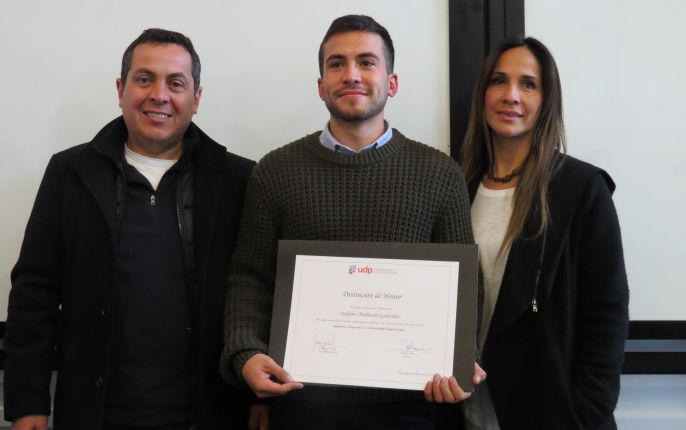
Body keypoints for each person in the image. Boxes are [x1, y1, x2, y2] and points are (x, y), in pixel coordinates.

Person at [220, 14, 484, 430]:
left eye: (366, 62)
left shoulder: (439, 174)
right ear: (321, 85)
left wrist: (461, 358)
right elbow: (250, 277)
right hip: (302, 403)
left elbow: (464, 286)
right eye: (337, 64)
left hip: (414, 406)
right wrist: (246, 354)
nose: (351, 75)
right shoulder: (275, 172)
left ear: (391, 83)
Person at [4, 28, 254, 430]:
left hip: (207, 413)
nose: (159, 95)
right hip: (94, 414)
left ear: (196, 98)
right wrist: (28, 401)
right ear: (121, 90)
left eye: (176, 83)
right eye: (144, 79)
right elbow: (34, 292)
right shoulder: (71, 174)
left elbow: (254, 293)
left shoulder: (237, 180)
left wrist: (259, 399)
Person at [436, 36, 629, 429]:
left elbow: (607, 313)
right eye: (498, 81)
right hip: (466, 413)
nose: (511, 95)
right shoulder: (455, 186)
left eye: (528, 84)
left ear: (546, 100)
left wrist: (583, 413)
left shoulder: (580, 189)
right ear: (483, 94)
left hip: (552, 415)